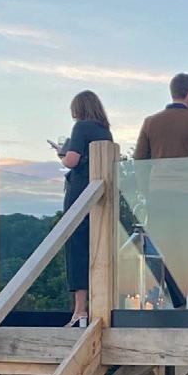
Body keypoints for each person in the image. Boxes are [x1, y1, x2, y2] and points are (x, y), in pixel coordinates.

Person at [134, 73, 188, 308]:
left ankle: (172, 299)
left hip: (158, 196)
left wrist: (147, 190)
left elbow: (139, 161)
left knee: (164, 249)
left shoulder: (150, 123)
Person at [58, 90, 113, 327]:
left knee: (77, 248)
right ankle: (101, 306)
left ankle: (80, 310)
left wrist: (62, 155)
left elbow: (71, 160)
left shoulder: (81, 127)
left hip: (80, 192)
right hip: (103, 195)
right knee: (98, 247)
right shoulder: (105, 131)